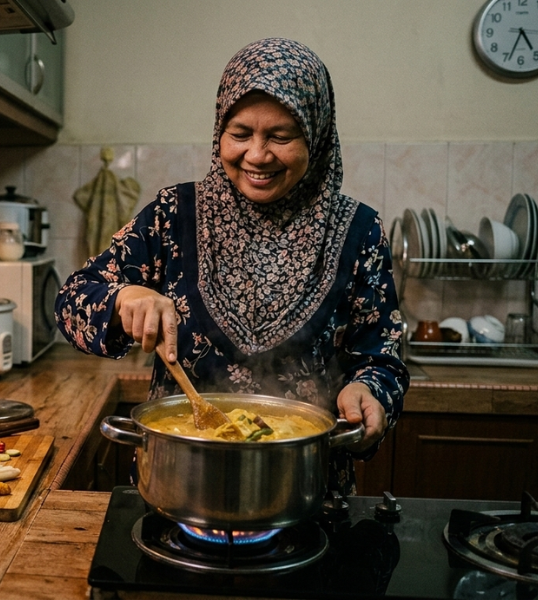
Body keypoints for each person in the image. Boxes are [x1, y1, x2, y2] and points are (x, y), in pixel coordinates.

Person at [54, 38, 408, 495]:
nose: (257, 155)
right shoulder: (173, 214)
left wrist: (371, 394)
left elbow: (383, 359)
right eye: (240, 133)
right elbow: (72, 300)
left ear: (317, 138)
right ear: (219, 130)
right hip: (177, 483)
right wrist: (124, 297)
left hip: (305, 491)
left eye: (281, 136)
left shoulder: (359, 232)